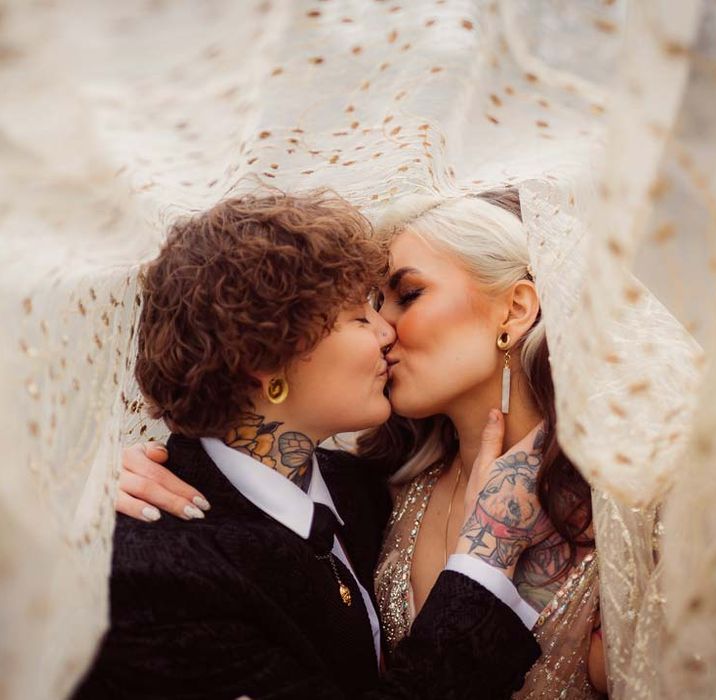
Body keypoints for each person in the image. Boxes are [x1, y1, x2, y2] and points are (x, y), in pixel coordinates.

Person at [75, 190, 540, 700]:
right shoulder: (150, 571)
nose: (387, 331)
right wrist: (482, 561)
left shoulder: (361, 488)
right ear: (268, 359)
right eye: (360, 317)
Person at [362, 190, 606, 697]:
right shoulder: (375, 487)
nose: (381, 330)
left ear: (514, 309)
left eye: (408, 295)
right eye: (374, 305)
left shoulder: (625, 508)